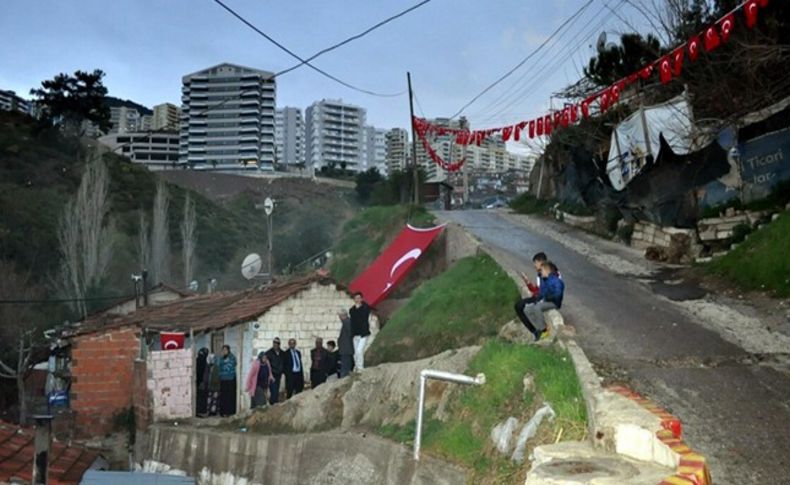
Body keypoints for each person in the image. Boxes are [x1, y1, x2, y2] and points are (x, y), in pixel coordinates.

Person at [521, 261, 565, 341]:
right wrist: (536, 300)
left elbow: (558, 295)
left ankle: (544, 329)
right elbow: (541, 293)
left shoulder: (557, 281)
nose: (541, 272)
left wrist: (546, 298)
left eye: (542, 270)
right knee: (527, 309)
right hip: (545, 300)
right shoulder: (545, 280)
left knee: (538, 307)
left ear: (547, 271)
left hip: (554, 303)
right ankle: (538, 329)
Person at [515, 252, 549, 336]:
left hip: (543, 299)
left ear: (541, 262)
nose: (534, 265)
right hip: (537, 297)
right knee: (518, 306)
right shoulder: (539, 274)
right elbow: (535, 290)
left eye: (535, 263)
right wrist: (527, 281)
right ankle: (535, 331)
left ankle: (540, 330)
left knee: (523, 307)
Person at [349, 292, 371, 371]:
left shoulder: (365, 308)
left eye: (359, 298)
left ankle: (360, 367)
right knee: (355, 353)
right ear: (354, 299)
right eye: (356, 298)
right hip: (355, 334)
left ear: (362, 299)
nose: (357, 300)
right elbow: (353, 322)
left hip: (363, 334)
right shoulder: (351, 310)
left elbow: (364, 317)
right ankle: (357, 367)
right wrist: (352, 333)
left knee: (359, 350)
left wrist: (361, 306)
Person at [217, 345, 237, 417]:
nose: (224, 351)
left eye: (225, 350)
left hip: (230, 379)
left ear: (228, 350)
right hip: (223, 379)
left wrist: (224, 363)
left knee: (230, 396)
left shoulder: (232, 357)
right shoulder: (221, 358)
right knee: (223, 396)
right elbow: (219, 365)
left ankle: (229, 412)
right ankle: (223, 412)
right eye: (223, 350)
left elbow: (231, 364)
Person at [265, 337, 285, 404]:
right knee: (273, 391)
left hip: (279, 375)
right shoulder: (268, 353)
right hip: (271, 375)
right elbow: (267, 365)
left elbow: (284, 363)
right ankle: (273, 405)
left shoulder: (282, 353)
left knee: (276, 390)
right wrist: (269, 375)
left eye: (277, 343)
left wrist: (282, 371)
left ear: (279, 344)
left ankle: (274, 406)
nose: (275, 344)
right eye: (274, 343)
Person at [337, 309, 354, 378]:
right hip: (345, 349)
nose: (339, 318)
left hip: (346, 349)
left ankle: (344, 379)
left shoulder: (346, 322)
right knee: (345, 366)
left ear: (343, 316)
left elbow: (350, 334)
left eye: (340, 316)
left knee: (345, 368)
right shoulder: (347, 322)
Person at [195, 347, 209, 417]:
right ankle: (200, 411)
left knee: (200, 397)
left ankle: (200, 411)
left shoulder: (197, 361)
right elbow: (201, 372)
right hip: (200, 382)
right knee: (200, 398)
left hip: (199, 382)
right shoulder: (202, 362)